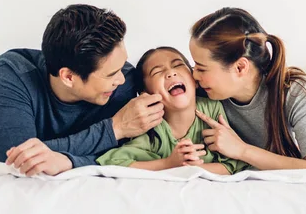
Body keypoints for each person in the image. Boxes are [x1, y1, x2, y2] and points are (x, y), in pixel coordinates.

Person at [0, 4, 165, 176]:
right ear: (68, 76)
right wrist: (114, 129)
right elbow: (15, 155)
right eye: (109, 74)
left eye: (121, 67)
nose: (121, 80)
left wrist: (66, 161)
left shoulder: (124, 80)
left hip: (43, 134)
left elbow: (120, 155)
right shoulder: (14, 72)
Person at [189, 7, 306, 171]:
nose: (193, 76)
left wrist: (242, 150)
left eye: (201, 69)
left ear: (240, 67)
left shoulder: (294, 92)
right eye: (194, 66)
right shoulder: (201, 92)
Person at [96, 47, 249, 175]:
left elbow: (232, 164)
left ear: (195, 80)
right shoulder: (150, 126)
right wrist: (168, 164)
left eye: (177, 65)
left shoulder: (213, 110)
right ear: (146, 95)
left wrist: (194, 168)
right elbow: (113, 162)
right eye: (157, 72)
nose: (170, 73)